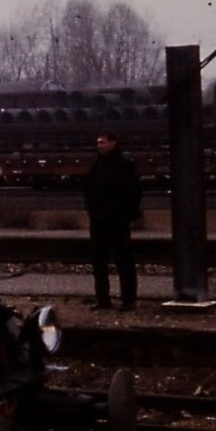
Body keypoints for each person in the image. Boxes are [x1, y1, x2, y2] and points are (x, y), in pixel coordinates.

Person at [83, 131, 142, 311]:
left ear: (113, 143)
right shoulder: (98, 164)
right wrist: (91, 210)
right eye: (98, 143)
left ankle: (128, 300)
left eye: (102, 142)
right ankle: (103, 299)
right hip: (101, 219)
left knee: (123, 260)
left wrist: (127, 214)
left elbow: (134, 191)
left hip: (116, 219)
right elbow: (89, 189)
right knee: (100, 261)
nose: (99, 146)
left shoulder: (124, 164)